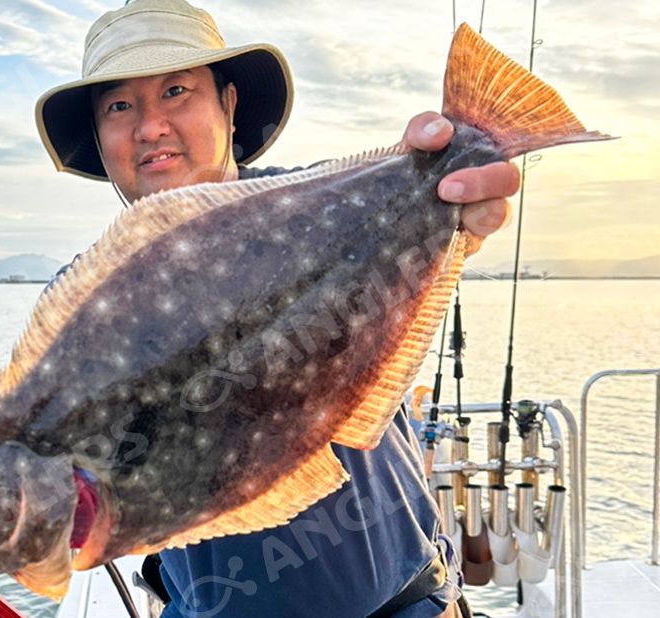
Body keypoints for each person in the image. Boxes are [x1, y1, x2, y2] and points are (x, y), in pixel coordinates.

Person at [35, 1, 519, 616]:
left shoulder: (321, 206)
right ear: (101, 139)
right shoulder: (82, 302)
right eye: (120, 106)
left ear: (229, 105)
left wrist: (453, 200)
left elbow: (432, 212)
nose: (150, 126)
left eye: (176, 91)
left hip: (407, 602)